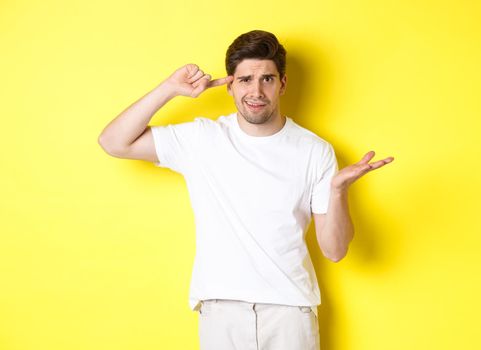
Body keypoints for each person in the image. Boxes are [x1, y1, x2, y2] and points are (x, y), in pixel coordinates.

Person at [98, 29, 394, 350]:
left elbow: (335, 251)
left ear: (282, 83)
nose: (256, 91)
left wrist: (337, 192)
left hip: (290, 312)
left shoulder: (314, 150)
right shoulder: (202, 139)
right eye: (245, 80)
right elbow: (113, 141)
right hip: (221, 311)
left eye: (267, 79)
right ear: (229, 84)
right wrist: (170, 88)